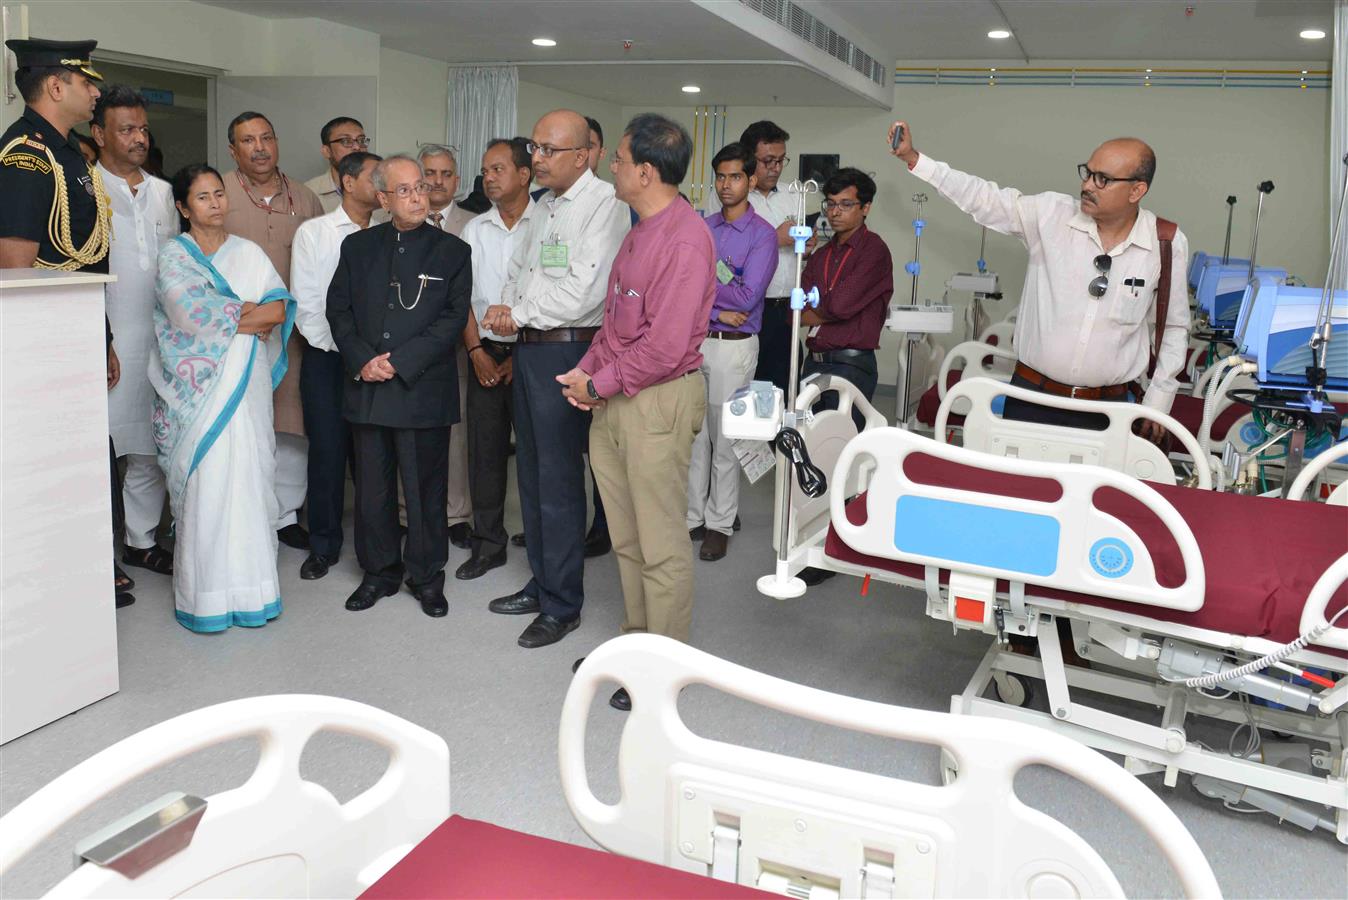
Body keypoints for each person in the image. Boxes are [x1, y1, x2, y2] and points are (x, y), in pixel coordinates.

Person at [888, 121, 1189, 435]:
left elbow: (1174, 329)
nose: (1088, 185)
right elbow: (984, 198)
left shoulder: (1165, 243)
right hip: (1030, 397)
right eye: (1088, 173)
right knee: (1018, 484)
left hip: (1108, 410)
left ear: (1137, 190)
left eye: (1103, 179)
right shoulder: (1051, 216)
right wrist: (915, 159)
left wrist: (1158, 402)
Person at [560, 114, 716, 710]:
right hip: (619, 396)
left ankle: (664, 668)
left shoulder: (684, 239)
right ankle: (636, 644)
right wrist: (589, 374)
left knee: (660, 541)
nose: (612, 166)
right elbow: (616, 320)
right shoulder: (639, 228)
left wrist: (600, 384)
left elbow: (665, 346)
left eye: (619, 159)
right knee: (626, 538)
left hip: (657, 399)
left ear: (646, 172)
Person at [480, 109, 629, 648]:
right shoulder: (544, 207)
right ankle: (542, 583)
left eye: (548, 150)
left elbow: (585, 292)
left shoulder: (605, 206)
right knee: (534, 479)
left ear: (584, 155)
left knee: (561, 483)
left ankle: (563, 604)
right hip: (530, 350)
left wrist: (515, 314)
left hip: (570, 350)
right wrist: (508, 309)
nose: (535, 159)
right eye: (535, 148)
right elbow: (521, 272)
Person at [0, 38, 129, 606]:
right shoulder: (26, 156)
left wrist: (100, 340)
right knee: (57, 466)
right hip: (43, 347)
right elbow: (15, 264)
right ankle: (66, 575)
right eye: (86, 82)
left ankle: (94, 563)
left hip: (76, 334)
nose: (95, 91)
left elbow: (87, 259)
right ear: (55, 87)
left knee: (88, 458)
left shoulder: (70, 152)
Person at [150, 163, 295, 632]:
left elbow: (275, 311)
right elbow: (187, 314)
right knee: (209, 485)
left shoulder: (248, 253)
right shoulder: (175, 256)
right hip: (200, 395)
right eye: (203, 197)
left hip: (245, 387)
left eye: (219, 194)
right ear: (183, 207)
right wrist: (244, 314)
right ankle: (205, 598)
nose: (215, 203)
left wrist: (230, 315)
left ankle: (256, 591)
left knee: (251, 478)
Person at [326, 155, 471, 618]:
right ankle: (379, 572)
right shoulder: (358, 247)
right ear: (384, 198)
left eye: (421, 188)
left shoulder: (452, 251)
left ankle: (427, 576)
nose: (416, 197)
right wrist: (363, 360)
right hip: (368, 386)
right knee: (372, 488)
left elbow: (452, 320)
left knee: (425, 487)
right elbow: (339, 311)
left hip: (422, 388)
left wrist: (400, 362)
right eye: (404, 190)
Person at [222, 110, 324, 552]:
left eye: (266, 137)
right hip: (234, 336)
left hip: (294, 335)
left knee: (292, 426)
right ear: (233, 150)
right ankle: (245, 514)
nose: (259, 147)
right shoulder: (218, 193)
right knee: (240, 426)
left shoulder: (304, 199)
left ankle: (285, 516)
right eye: (248, 140)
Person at [92, 85, 179, 582]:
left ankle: (141, 541)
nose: (138, 137)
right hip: (107, 341)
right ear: (99, 133)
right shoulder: (83, 189)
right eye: (126, 129)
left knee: (149, 446)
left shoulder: (165, 193)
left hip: (159, 340)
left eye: (143, 128)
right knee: (103, 448)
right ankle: (98, 554)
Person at [289, 150, 382, 580]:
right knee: (327, 454)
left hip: (379, 365)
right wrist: (351, 355)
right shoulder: (316, 233)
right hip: (328, 360)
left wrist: (371, 358)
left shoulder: (389, 231)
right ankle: (323, 545)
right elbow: (307, 307)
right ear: (348, 182)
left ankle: (375, 549)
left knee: (373, 458)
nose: (383, 186)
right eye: (374, 178)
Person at [687, 143, 776, 562]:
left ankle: (720, 523)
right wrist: (719, 306)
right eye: (721, 177)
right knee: (693, 437)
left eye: (735, 177)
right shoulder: (703, 228)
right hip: (697, 341)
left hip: (734, 351)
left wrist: (717, 297)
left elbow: (748, 296)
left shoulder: (762, 236)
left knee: (725, 442)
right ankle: (692, 517)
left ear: (751, 180)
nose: (726, 185)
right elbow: (687, 286)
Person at [456, 138, 537, 581]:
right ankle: (488, 544)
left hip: (535, 354)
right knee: (484, 455)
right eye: (485, 170)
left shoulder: (545, 226)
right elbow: (461, 300)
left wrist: (518, 356)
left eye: (498, 169)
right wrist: (476, 353)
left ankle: (542, 543)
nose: (488, 177)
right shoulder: (474, 230)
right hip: (483, 353)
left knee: (539, 455)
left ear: (524, 175)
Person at [418, 143, 475, 550]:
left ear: (457, 180)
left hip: (458, 345)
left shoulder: (475, 225)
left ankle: (457, 514)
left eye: (445, 174)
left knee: (457, 434)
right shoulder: (395, 221)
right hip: (408, 350)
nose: (438, 181)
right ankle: (410, 512)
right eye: (430, 173)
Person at [798, 167, 894, 404]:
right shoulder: (821, 255)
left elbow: (840, 305)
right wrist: (836, 310)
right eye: (830, 204)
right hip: (813, 363)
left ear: (865, 208)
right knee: (808, 438)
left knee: (844, 439)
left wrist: (823, 309)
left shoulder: (874, 251)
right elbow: (796, 313)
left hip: (851, 366)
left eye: (846, 204)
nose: (835, 212)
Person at [737, 120, 811, 393]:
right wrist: (776, 239)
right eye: (768, 161)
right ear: (748, 158)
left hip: (787, 311)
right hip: (748, 310)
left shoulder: (794, 195)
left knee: (785, 388)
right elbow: (722, 258)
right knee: (747, 389)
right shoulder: (732, 194)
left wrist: (807, 244)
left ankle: (782, 437)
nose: (776, 168)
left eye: (781, 160)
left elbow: (798, 248)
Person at [304, 116, 370, 214]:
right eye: (346, 141)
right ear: (327, 151)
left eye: (361, 140)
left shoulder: (382, 190)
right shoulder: (308, 193)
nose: (357, 147)